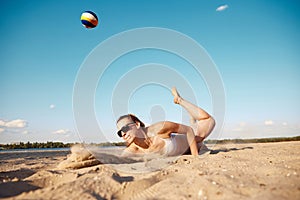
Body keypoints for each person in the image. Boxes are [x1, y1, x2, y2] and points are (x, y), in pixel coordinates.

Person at [116, 87, 215, 157]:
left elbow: (188, 130)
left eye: (125, 128)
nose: (123, 134)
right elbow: (117, 160)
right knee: (193, 124)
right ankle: (192, 119)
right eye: (120, 133)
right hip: (186, 148)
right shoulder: (133, 150)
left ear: (137, 124)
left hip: (193, 141)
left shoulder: (159, 128)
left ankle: (180, 101)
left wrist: (195, 157)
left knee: (208, 120)